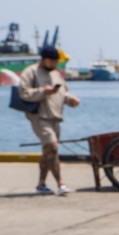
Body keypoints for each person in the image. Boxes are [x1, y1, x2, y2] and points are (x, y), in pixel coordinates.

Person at [17, 44, 80, 195]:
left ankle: (41, 184)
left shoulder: (56, 74)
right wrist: (43, 91)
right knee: (52, 147)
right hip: (39, 117)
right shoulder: (30, 72)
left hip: (55, 118)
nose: (56, 64)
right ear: (45, 59)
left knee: (47, 152)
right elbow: (23, 93)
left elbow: (64, 93)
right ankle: (61, 184)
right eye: (53, 61)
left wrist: (71, 100)